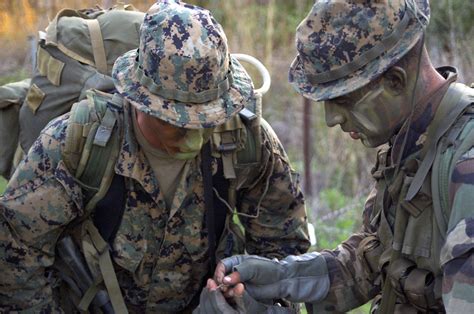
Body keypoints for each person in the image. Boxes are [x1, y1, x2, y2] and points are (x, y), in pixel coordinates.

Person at [0, 1, 310, 312]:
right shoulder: (78, 141)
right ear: (138, 100)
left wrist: (251, 299)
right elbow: (15, 252)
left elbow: (283, 246)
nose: (193, 133)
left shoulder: (244, 139)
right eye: (175, 119)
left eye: (206, 116)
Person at [197, 0, 474, 313]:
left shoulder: (465, 163)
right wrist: (283, 277)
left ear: (394, 81)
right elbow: (373, 262)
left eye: (343, 100)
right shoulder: (410, 147)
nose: (331, 120)